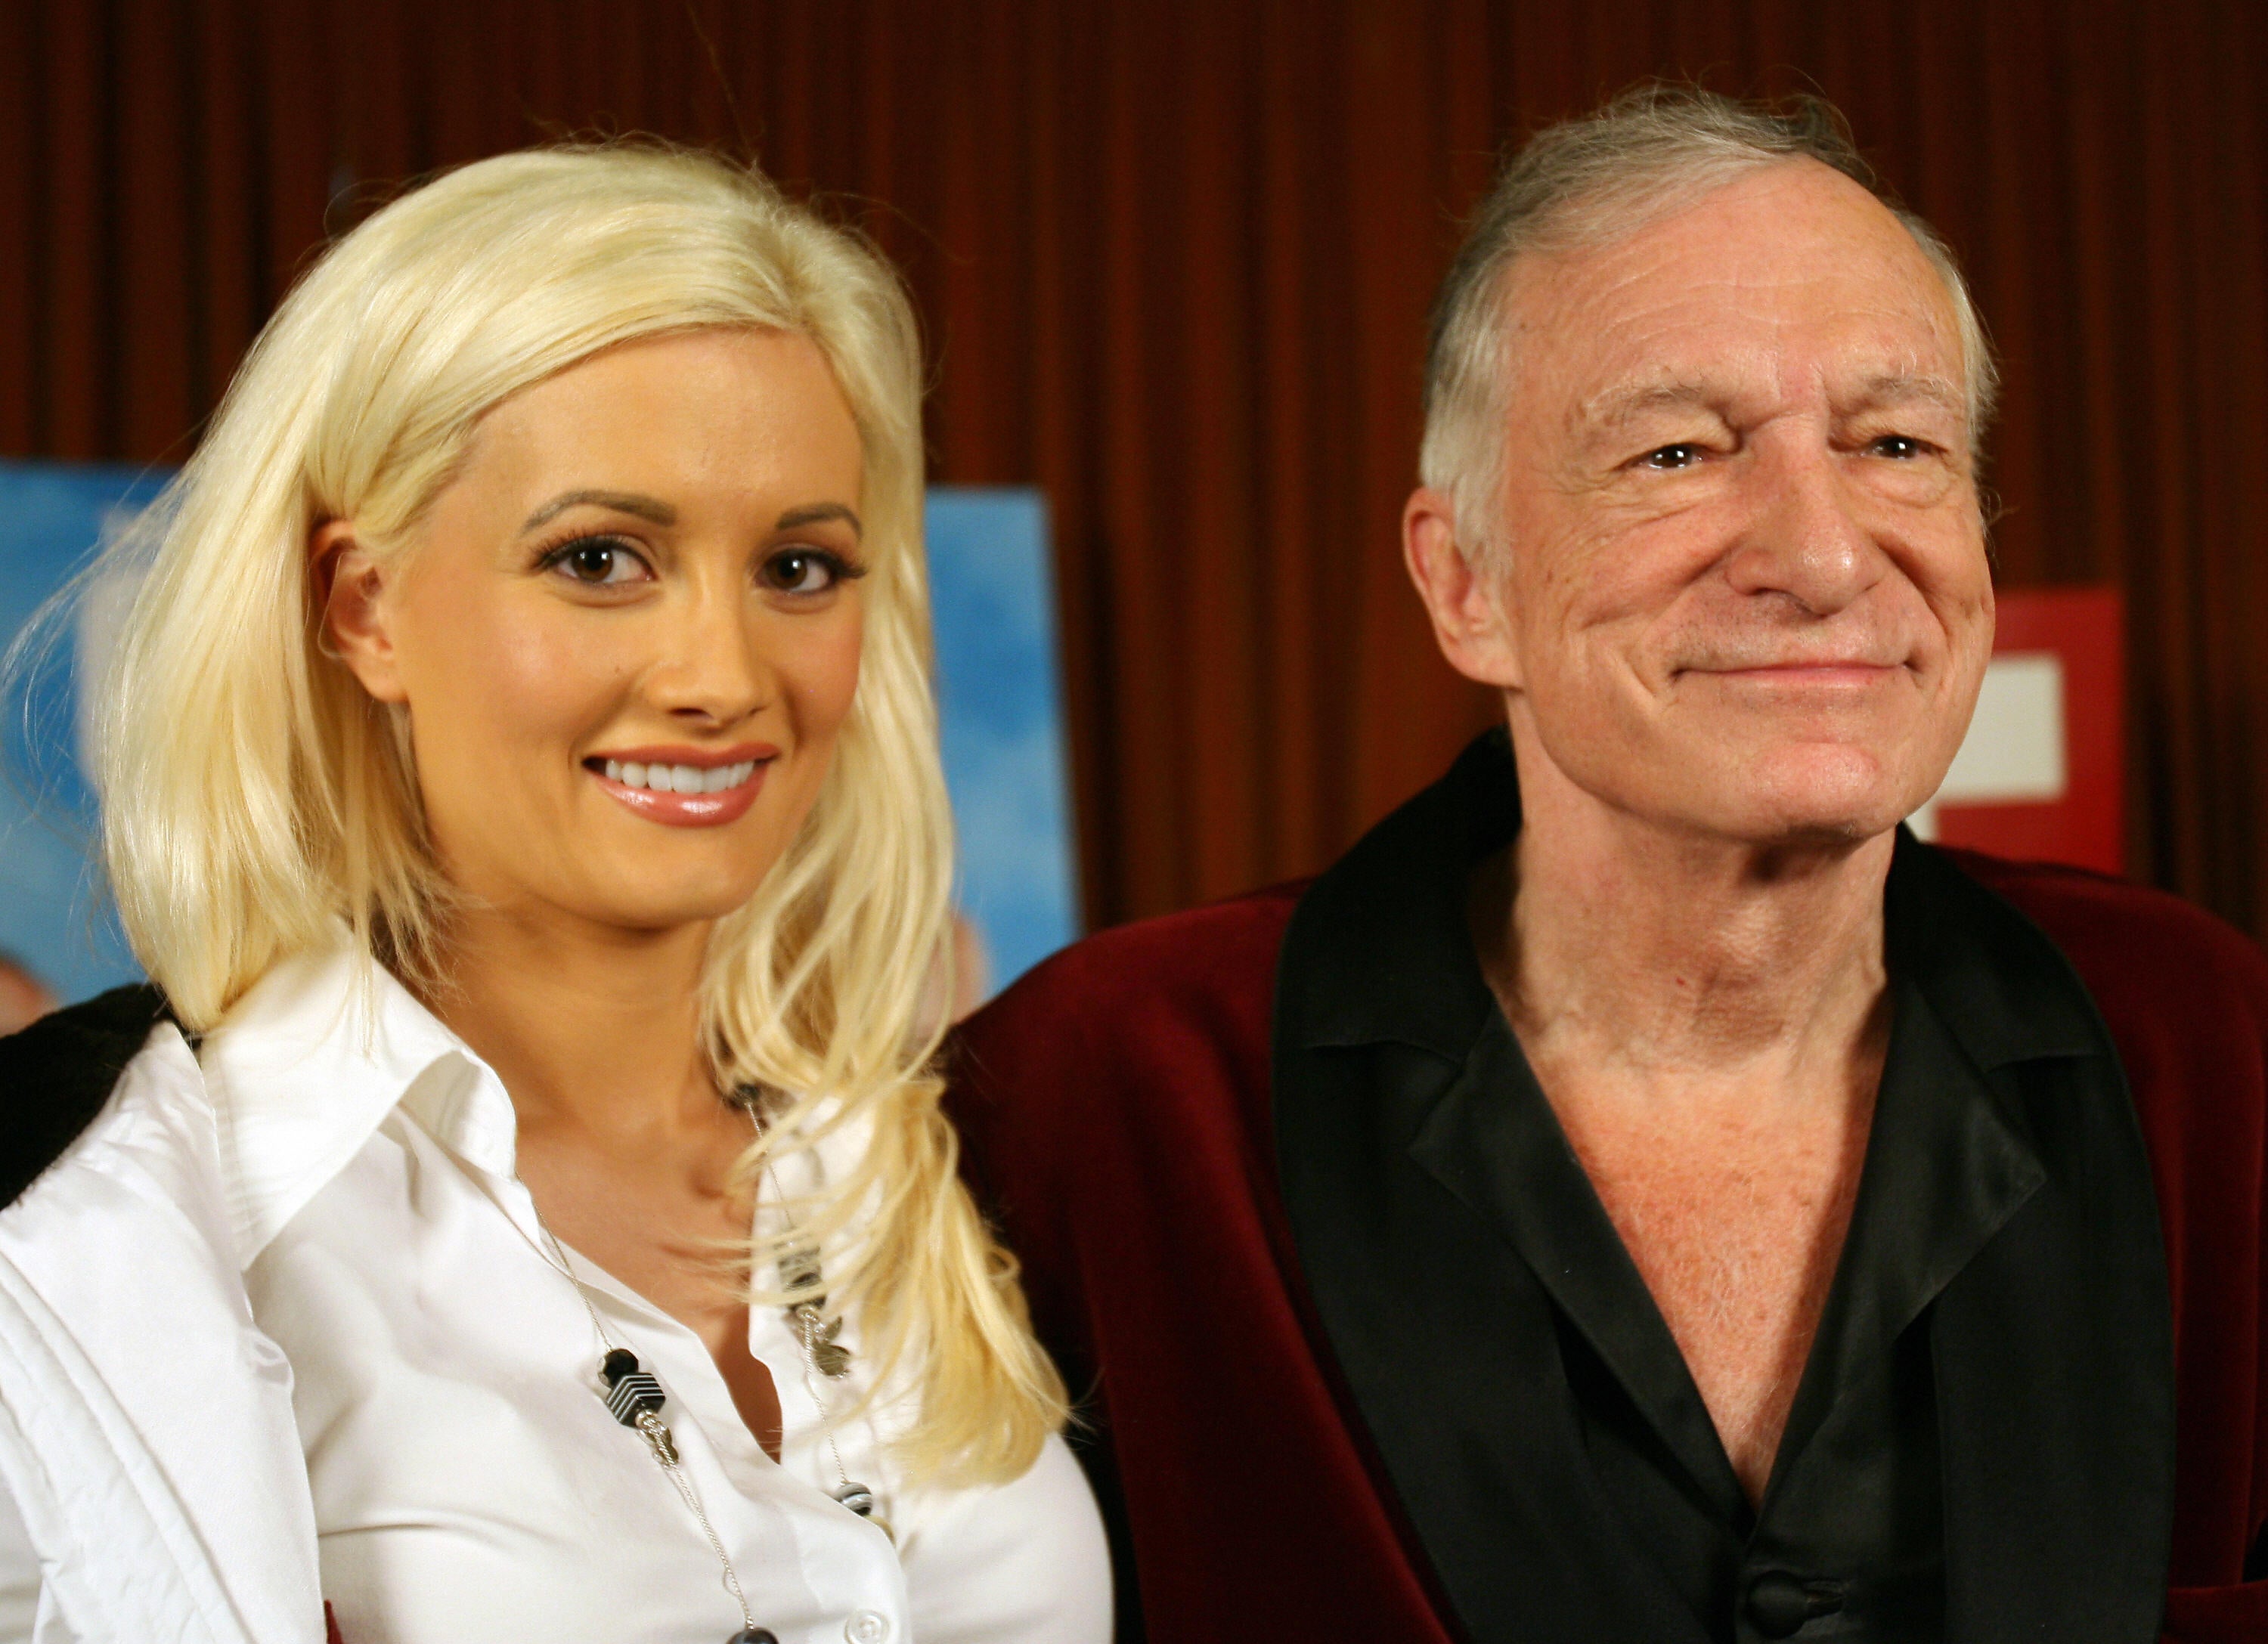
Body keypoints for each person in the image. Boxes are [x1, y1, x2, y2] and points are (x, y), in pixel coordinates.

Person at [950, 89, 2268, 1644]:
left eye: (1896, 441)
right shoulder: (1104, 1093)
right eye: (1678, 450)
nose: (1826, 550)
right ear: (1465, 582)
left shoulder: (2205, 1047)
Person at [0, 146, 1110, 1644]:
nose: (723, 676)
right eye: (601, 558)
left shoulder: (953, 1162)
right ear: (363, 603)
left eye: (798, 565)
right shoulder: (101, 1226)